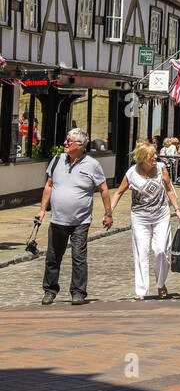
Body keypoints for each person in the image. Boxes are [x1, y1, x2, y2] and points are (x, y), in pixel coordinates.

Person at [36, 128, 114, 306]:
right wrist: (42, 210)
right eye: (66, 140)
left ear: (79, 145)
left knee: (79, 257)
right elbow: (49, 185)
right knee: (53, 257)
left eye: (68, 141)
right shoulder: (57, 160)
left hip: (81, 221)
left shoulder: (92, 164)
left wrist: (108, 213)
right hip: (57, 219)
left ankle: (78, 292)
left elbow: (103, 189)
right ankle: (50, 290)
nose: (65, 143)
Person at [109, 142, 180, 299]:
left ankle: (161, 283)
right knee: (141, 252)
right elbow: (118, 193)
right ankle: (141, 290)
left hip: (161, 214)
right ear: (143, 158)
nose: (156, 157)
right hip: (140, 217)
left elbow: (169, 189)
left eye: (155, 154)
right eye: (152, 155)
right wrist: (108, 213)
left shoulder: (161, 168)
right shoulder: (132, 174)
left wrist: (177, 210)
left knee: (161, 250)